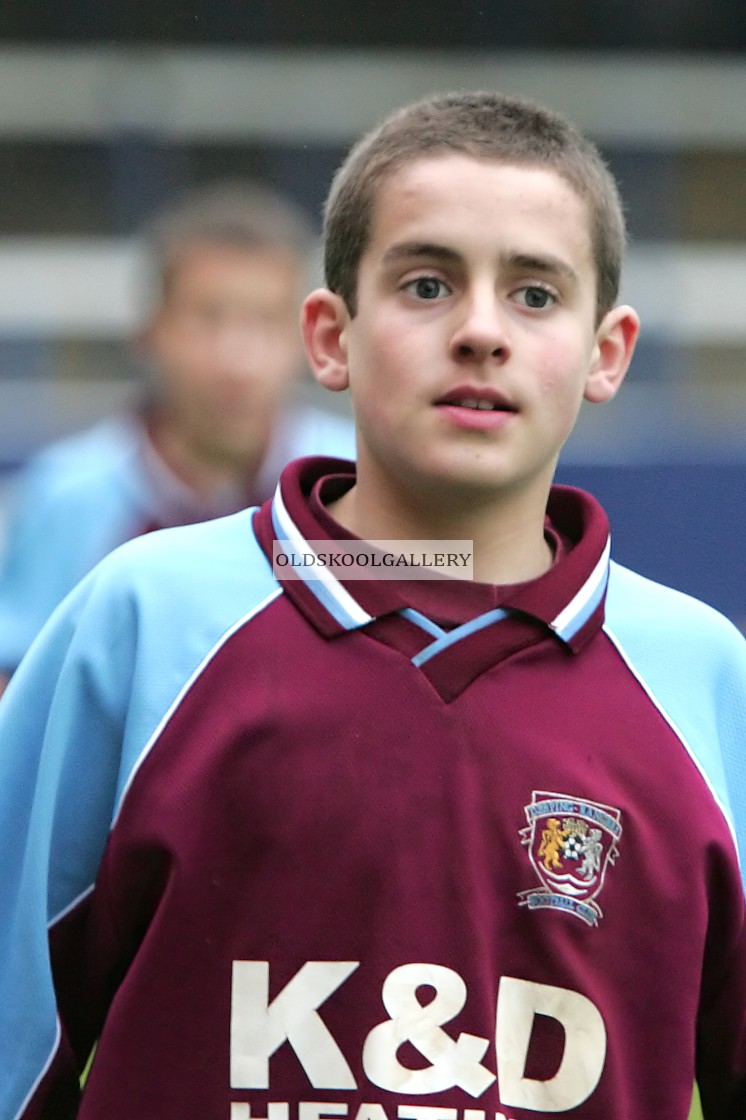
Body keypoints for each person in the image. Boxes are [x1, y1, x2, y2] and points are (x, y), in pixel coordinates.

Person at [0, 90, 744, 1120]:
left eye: (534, 294)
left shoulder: (704, 681)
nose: (481, 330)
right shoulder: (138, 623)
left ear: (606, 351)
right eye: (427, 283)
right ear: (328, 336)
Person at [0, 180, 355, 695]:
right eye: (207, 318)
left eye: (263, 321)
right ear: (149, 332)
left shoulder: (355, 476)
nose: (236, 358)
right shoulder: (66, 496)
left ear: (309, 337)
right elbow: (18, 680)